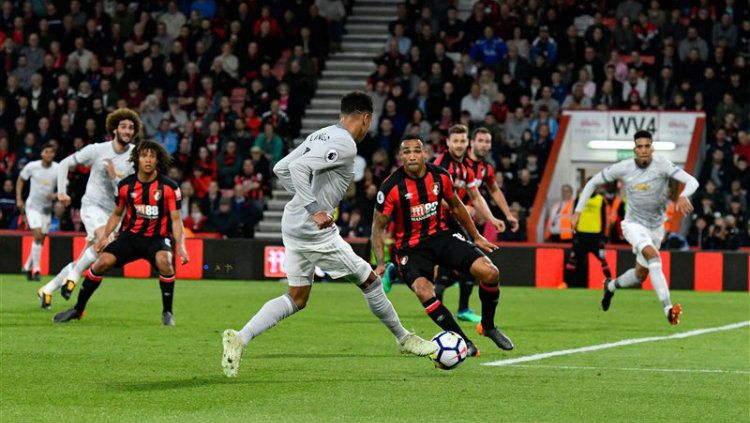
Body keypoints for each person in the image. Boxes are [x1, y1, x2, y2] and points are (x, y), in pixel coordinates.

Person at [221, 92, 436, 378]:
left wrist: (302, 201)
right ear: (366, 118)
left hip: (293, 223)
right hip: (313, 230)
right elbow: (296, 168)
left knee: (297, 297)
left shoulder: (321, 134)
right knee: (370, 281)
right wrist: (313, 208)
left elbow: (280, 168)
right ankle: (404, 338)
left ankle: (240, 337)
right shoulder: (345, 143)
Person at [372, 135, 514, 358]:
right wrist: (380, 262)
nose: (411, 156)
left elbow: (457, 207)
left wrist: (476, 236)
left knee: (490, 273)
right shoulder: (390, 186)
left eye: (416, 151)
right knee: (424, 291)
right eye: (406, 152)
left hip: (442, 236)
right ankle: (464, 342)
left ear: (425, 153)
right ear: (400, 156)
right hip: (411, 248)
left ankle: (488, 326)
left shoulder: (440, 176)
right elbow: (377, 227)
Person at [53, 140, 188, 325]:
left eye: (152, 156)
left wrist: (181, 245)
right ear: (137, 159)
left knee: (165, 261)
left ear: (158, 161)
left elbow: (175, 219)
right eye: (144, 156)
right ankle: (78, 309)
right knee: (101, 263)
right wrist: (104, 237)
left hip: (157, 238)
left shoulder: (169, 187)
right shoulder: (125, 185)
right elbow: (116, 215)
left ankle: (167, 312)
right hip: (130, 238)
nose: (148, 160)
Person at [572, 130, 699, 325]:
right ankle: (668, 309)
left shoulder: (662, 164)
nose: (644, 150)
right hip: (633, 224)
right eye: (640, 147)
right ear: (634, 149)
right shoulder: (623, 168)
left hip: (656, 227)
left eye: (647, 146)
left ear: (652, 148)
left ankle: (611, 285)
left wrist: (684, 195)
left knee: (640, 275)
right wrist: (578, 212)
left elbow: (693, 181)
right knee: (654, 257)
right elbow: (593, 183)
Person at [39, 108, 140, 308]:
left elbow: (128, 191)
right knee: (105, 238)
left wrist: (114, 176)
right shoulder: (97, 150)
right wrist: (61, 191)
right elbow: (65, 163)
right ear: (115, 129)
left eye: (131, 128)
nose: (128, 131)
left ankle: (47, 289)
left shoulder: (135, 156)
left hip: (115, 213)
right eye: (124, 127)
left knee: (89, 255)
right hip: (92, 206)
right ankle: (73, 280)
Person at [431, 124, 505, 323]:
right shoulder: (442, 164)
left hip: (452, 222)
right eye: (455, 141)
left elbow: (477, 196)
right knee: (456, 262)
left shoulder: (464, 168)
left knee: (463, 262)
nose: (459, 145)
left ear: (467, 143)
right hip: (435, 222)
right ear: (448, 143)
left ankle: (456, 309)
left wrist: (491, 218)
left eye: (462, 141)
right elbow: (438, 197)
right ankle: (395, 271)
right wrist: (465, 208)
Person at [17, 144, 59, 288]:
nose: (49, 154)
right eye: (46, 151)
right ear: (42, 153)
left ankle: (27, 266)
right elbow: (21, 180)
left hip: (46, 209)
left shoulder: (58, 168)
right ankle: (37, 270)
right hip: (32, 207)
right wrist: (19, 199)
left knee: (41, 238)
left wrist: (55, 195)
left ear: (53, 155)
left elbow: (64, 186)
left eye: (51, 152)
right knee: (38, 235)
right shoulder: (32, 166)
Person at [564, 182, 613, 288]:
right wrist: (574, 235)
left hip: (596, 236)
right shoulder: (580, 198)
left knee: (603, 260)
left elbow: (604, 219)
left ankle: (611, 283)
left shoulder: (601, 200)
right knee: (573, 259)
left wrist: (603, 236)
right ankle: (566, 283)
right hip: (581, 235)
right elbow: (574, 216)